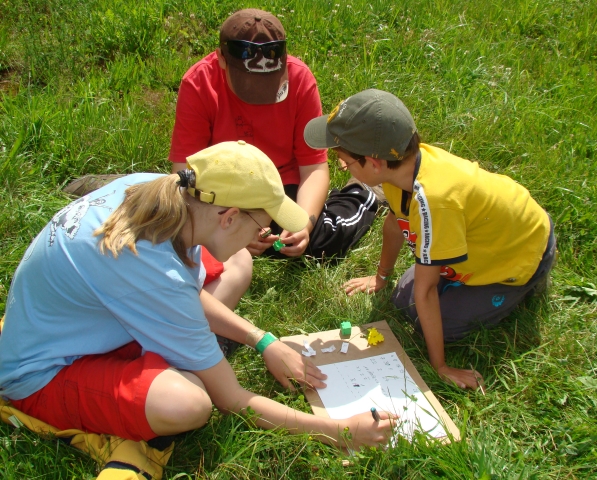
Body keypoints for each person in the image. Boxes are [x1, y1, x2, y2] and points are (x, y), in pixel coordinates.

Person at [0, 141, 394, 463]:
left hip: (89, 317)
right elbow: (231, 400)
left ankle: (187, 351)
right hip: (41, 373)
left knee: (238, 263)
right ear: (229, 217)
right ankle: (186, 358)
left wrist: (262, 340)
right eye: (260, 226)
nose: (262, 236)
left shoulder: (163, 191)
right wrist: (340, 430)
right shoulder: (151, 273)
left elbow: (178, 291)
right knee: (188, 403)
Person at [304, 89, 557, 391]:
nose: (342, 166)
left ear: (373, 163)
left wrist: (440, 367)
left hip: (522, 253)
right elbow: (394, 224)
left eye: (344, 162)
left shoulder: (435, 202)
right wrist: (382, 276)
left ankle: (527, 283)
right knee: (403, 301)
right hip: (479, 236)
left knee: (433, 322)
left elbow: (425, 291)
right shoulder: (401, 170)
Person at [168, 8, 378, 272]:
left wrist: (305, 225)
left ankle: (361, 192)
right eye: (247, 85)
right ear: (221, 58)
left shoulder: (300, 79)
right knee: (187, 234)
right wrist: (235, 236)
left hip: (279, 186)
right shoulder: (199, 83)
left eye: (269, 84)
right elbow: (185, 172)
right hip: (224, 188)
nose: (258, 96)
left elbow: (313, 166)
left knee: (318, 242)